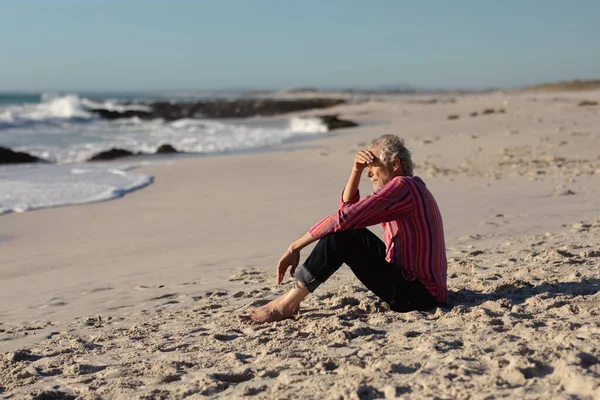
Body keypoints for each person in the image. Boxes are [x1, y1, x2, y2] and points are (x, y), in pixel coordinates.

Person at [246, 134, 447, 324]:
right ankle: (290, 300)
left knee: (343, 236)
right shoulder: (411, 188)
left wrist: (295, 246)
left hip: (419, 295)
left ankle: (287, 304)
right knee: (344, 234)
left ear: (394, 164)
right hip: (416, 287)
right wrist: (355, 170)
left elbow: (344, 219)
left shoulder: (403, 187)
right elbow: (346, 215)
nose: (368, 173)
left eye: (371, 165)